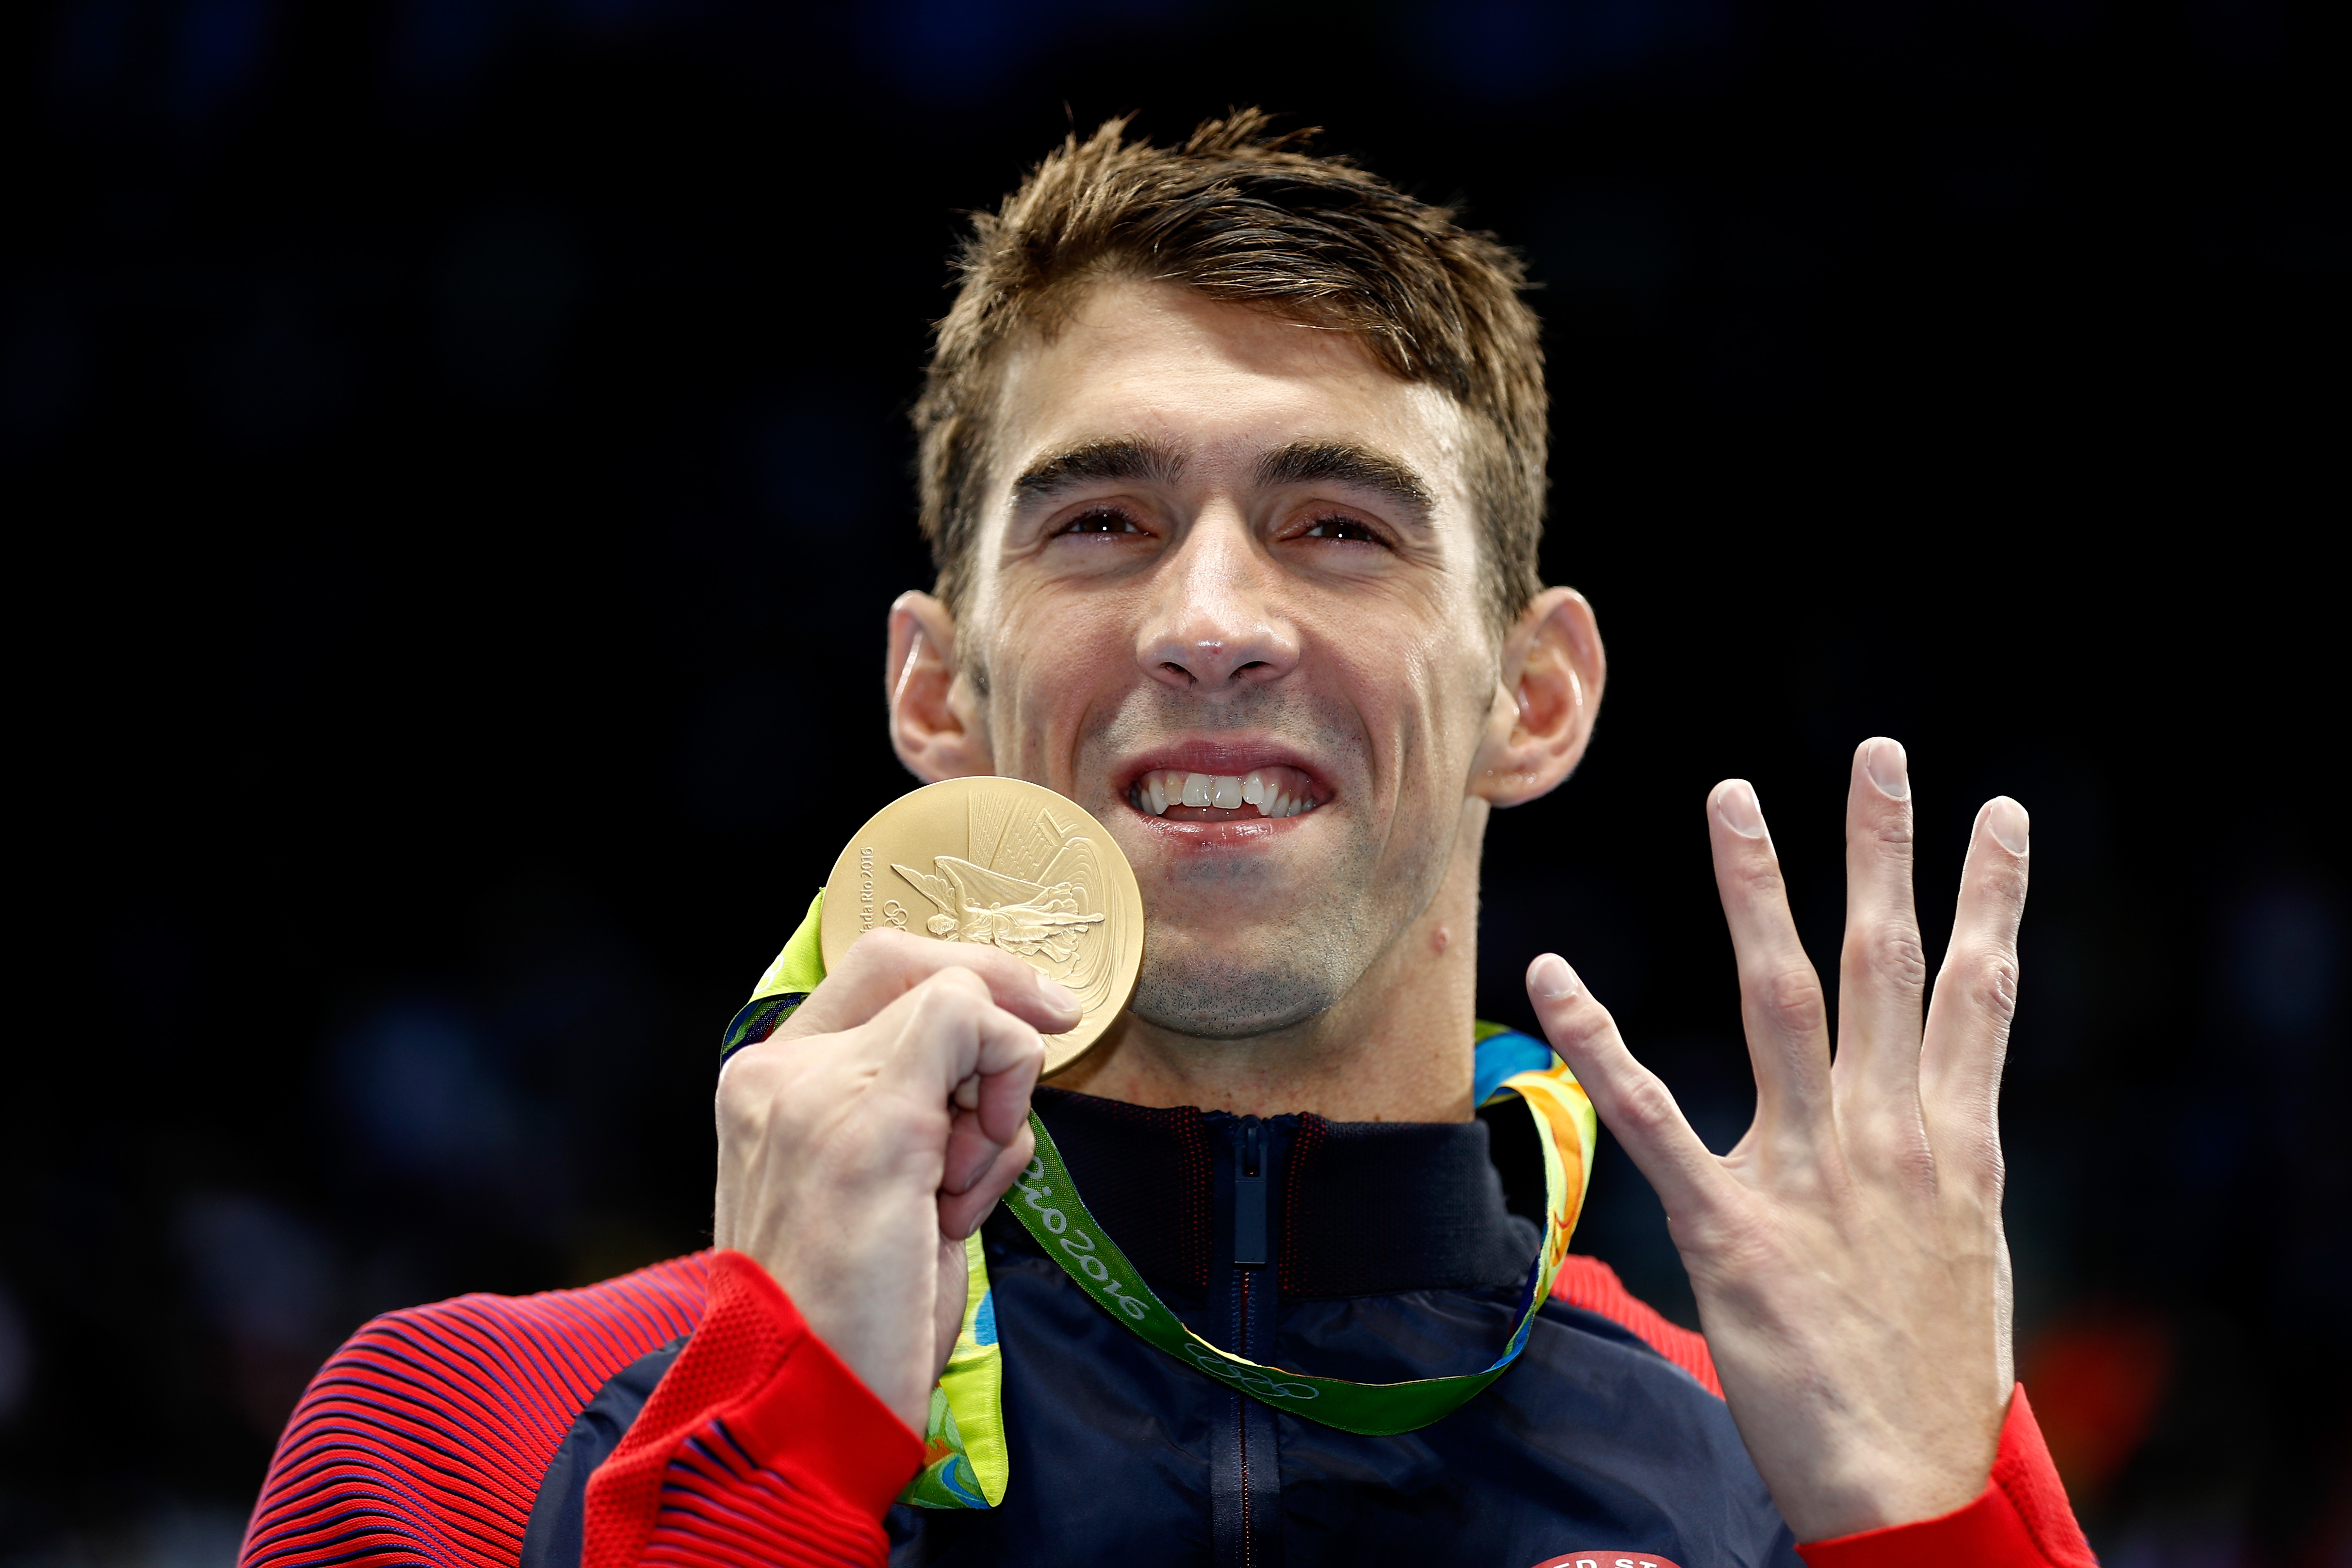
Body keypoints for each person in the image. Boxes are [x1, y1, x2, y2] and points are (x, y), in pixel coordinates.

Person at [240, 112, 2093, 1568]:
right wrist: (776, 1438)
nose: (1213, 618)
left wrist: (1944, 1538)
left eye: (1338, 527)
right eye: (1103, 521)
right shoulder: (470, 1433)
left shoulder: (1795, 1487)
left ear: (1532, 696)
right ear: (934, 689)